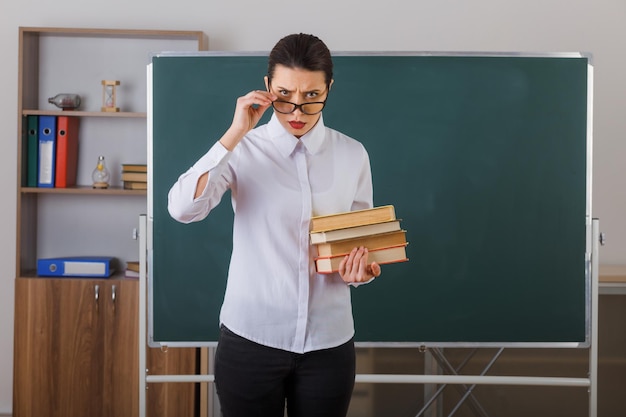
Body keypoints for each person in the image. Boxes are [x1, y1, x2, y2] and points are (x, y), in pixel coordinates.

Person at [167, 33, 381, 417]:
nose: (297, 110)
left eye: (312, 96)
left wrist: (360, 271)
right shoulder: (242, 150)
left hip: (328, 344)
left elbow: (359, 247)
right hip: (251, 338)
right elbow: (183, 208)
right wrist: (235, 133)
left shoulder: (352, 154)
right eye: (284, 95)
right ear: (267, 88)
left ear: (329, 88)